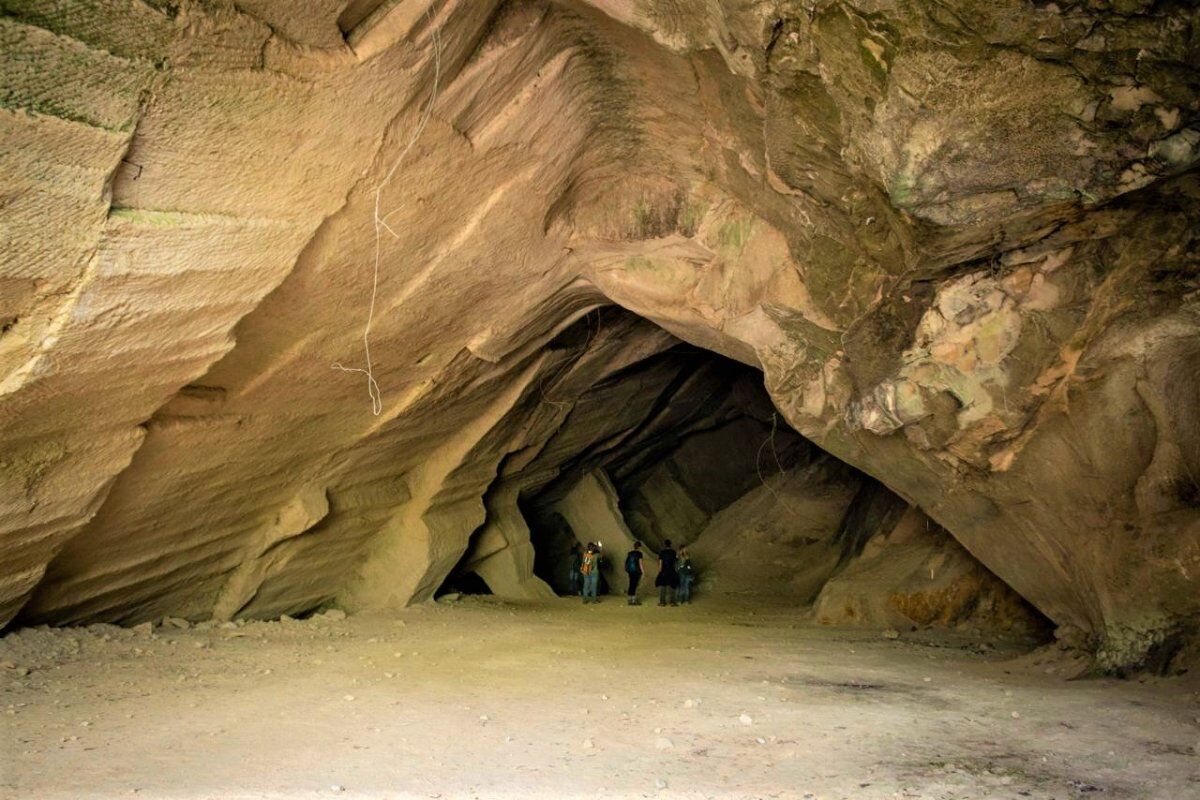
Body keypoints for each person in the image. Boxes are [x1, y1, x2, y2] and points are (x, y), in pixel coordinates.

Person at [655, 539, 679, 606]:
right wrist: (676, 571)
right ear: (670, 544)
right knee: (672, 586)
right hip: (671, 570)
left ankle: (662, 602)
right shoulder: (673, 552)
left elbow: (660, 563)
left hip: (664, 571)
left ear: (665, 545)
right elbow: (675, 562)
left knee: (663, 586)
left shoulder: (662, 552)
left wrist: (660, 571)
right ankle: (673, 602)